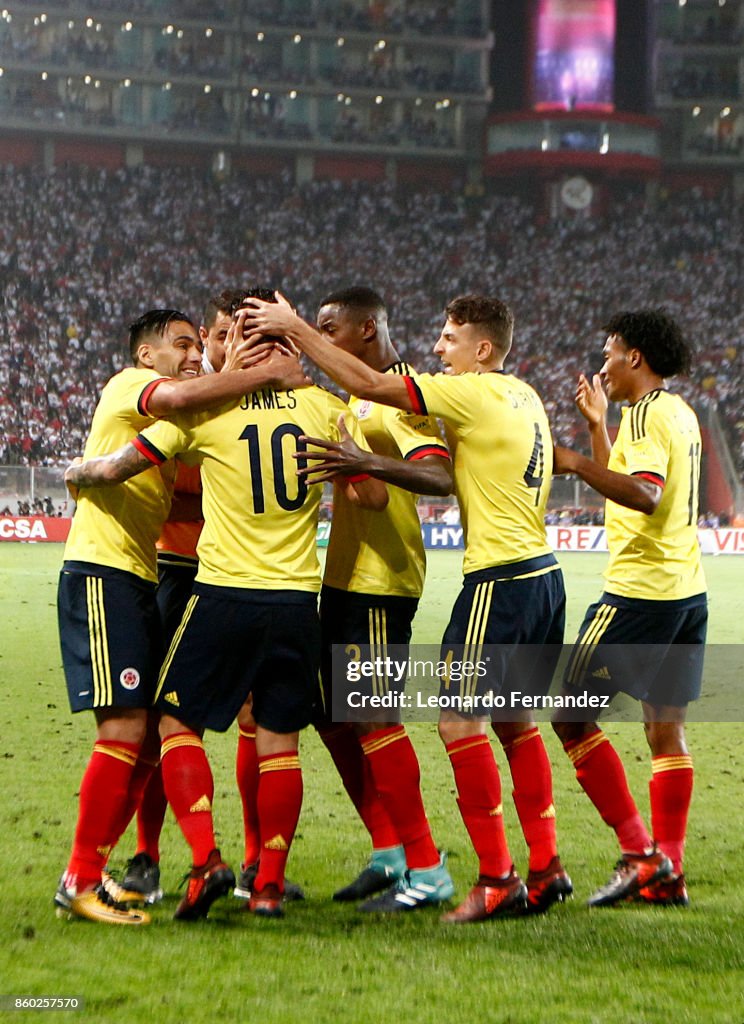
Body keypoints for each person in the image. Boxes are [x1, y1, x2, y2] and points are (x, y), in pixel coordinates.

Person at [242, 292, 571, 922]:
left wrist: (361, 459)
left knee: (438, 722)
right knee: (507, 722)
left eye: (450, 339)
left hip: (445, 582)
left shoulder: (437, 393)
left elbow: (435, 469)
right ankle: (533, 862)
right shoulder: (522, 393)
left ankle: (463, 872)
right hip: (533, 574)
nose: (439, 348)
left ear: (482, 349)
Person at [64, 305, 388, 922]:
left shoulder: (205, 410)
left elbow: (118, 468)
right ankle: (266, 884)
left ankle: (205, 855)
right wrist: (350, 464)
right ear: (288, 348)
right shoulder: (325, 409)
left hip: (224, 594)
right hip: (298, 601)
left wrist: (79, 471)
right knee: (279, 741)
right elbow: (371, 496)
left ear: (241, 344)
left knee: (173, 722)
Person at [294, 286, 455, 911]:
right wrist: (353, 469)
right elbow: (365, 495)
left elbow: (440, 476)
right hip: (341, 581)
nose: (321, 341)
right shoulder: (356, 400)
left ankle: (427, 866)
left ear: (367, 331)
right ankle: (389, 851)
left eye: (328, 330)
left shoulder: (405, 397)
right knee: (331, 716)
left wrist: (364, 462)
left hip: (383, 587)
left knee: (375, 719)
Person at [552, 308, 706, 907]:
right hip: (685, 591)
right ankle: (669, 867)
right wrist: (596, 430)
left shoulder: (644, 416)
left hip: (639, 595)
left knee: (569, 717)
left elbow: (643, 493)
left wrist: (573, 460)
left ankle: (643, 856)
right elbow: (632, 475)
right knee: (666, 731)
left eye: (610, 352)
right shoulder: (678, 411)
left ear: (635, 358)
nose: (604, 365)